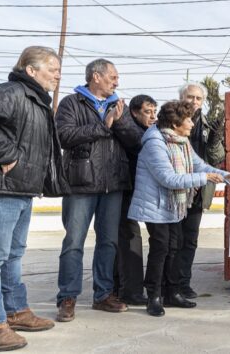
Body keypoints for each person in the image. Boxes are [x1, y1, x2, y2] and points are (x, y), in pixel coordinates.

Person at [0, 47, 67, 351]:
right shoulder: (11, 92)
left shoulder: (36, 100)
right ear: (31, 70)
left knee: (14, 255)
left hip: (21, 190)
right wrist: (7, 155)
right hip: (1, 189)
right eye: (52, 69)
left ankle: (16, 312)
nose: (57, 75)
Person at [128, 101, 230, 317]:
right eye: (188, 120)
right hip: (155, 206)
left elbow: (199, 165)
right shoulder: (154, 143)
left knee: (175, 247)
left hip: (172, 205)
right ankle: (154, 297)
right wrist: (205, 178)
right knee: (160, 250)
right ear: (175, 123)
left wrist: (224, 175)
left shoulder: (181, 141)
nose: (192, 124)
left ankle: (172, 293)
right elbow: (168, 178)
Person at [55, 58, 131, 322]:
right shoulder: (71, 103)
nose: (117, 82)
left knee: (108, 242)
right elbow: (64, 136)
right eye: (113, 76)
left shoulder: (119, 105)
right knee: (73, 242)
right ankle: (67, 297)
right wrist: (103, 125)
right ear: (96, 76)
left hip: (113, 185)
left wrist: (119, 121)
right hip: (81, 183)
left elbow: (135, 139)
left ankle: (103, 295)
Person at [174, 83, 222, 299]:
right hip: (174, 191)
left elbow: (216, 158)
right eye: (190, 97)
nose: (194, 102)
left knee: (190, 240)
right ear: (181, 98)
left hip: (199, 192)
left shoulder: (208, 124)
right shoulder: (169, 121)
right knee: (172, 240)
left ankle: (183, 283)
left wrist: (215, 139)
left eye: (198, 98)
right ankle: (168, 283)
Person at [111, 94, 158, 305]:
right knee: (128, 237)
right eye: (148, 112)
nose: (153, 116)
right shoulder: (129, 127)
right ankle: (130, 291)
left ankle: (124, 288)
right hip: (124, 188)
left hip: (139, 190)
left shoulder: (147, 130)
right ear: (134, 113)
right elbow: (137, 143)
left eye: (155, 111)